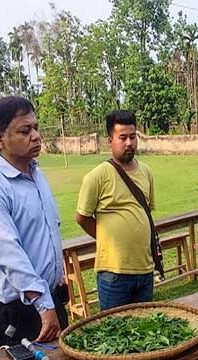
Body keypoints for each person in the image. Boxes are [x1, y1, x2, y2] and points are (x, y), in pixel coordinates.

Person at [0, 96, 68, 346]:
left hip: (49, 298)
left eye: (36, 128)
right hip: (19, 309)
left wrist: (59, 278)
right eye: (25, 130)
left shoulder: (37, 175)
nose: (35, 136)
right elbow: (9, 254)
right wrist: (44, 306)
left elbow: (48, 230)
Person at [76, 110, 157, 311]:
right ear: (109, 140)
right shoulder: (97, 176)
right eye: (122, 137)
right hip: (114, 273)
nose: (129, 143)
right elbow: (82, 217)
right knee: (115, 333)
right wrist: (107, 238)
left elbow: (146, 214)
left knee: (147, 331)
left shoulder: (146, 172)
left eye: (132, 136)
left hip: (144, 269)